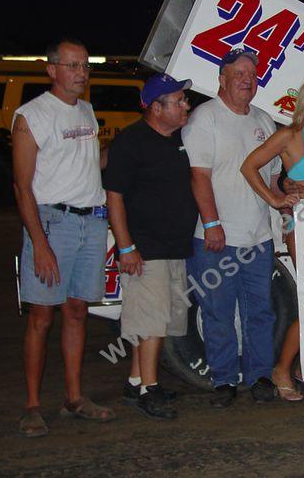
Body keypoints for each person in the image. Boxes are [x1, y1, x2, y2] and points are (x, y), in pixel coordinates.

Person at [12, 37, 114, 437]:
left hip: (92, 222)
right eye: (72, 66)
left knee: (76, 311)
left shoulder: (87, 110)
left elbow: (89, 164)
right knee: (41, 316)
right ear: (50, 69)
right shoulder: (31, 116)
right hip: (52, 224)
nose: (81, 74)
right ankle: (33, 405)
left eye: (85, 66)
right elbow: (22, 188)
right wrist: (40, 243)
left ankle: (74, 397)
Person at [182, 48, 285, 408]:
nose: (246, 79)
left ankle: (259, 375)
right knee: (218, 311)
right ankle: (224, 379)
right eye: (238, 73)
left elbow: (273, 179)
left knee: (260, 310)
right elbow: (199, 176)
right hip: (216, 239)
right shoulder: (205, 117)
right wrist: (212, 224)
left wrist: (285, 208)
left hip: (259, 237)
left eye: (251, 74)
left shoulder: (264, 120)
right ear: (221, 79)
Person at [103, 73, 197, 419]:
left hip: (174, 246)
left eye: (185, 99)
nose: (186, 105)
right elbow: (115, 197)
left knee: (161, 319)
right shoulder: (131, 142)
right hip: (146, 249)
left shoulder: (177, 139)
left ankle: (135, 381)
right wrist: (126, 248)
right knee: (151, 323)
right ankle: (149, 390)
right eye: (179, 101)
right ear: (157, 108)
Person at [241, 73, 304, 401]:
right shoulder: (289, 135)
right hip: (303, 227)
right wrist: (277, 199)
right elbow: (250, 166)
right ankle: (282, 368)